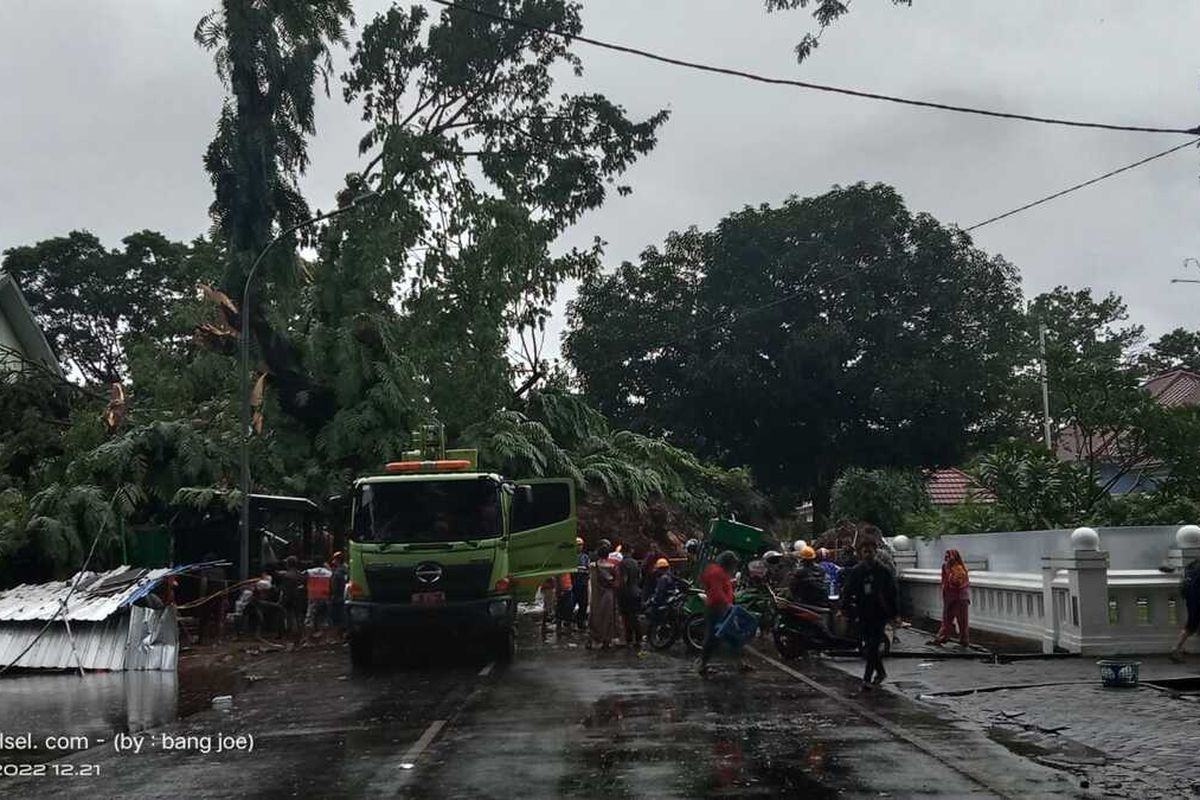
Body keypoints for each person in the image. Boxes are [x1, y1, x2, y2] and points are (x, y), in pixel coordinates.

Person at [842, 538, 897, 692]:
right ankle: (881, 672)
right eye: (864, 551)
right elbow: (848, 590)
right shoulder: (857, 571)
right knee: (867, 646)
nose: (867, 554)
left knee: (873, 645)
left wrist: (895, 613)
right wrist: (844, 607)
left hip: (880, 613)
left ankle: (867, 679)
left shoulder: (883, 571)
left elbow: (892, 593)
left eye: (870, 551)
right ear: (860, 553)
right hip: (863, 612)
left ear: (875, 552)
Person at [699, 550, 753, 675]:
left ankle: (739, 664)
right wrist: (727, 604)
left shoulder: (717, 571)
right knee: (713, 637)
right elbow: (717, 592)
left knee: (733, 636)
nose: (733, 568)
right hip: (717, 608)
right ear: (727, 563)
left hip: (721, 607)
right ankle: (702, 665)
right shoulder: (716, 573)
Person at [933, 549, 971, 647]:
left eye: (949, 557)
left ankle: (963, 639)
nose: (947, 559)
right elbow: (944, 582)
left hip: (960, 598)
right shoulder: (945, 567)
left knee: (962, 620)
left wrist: (951, 572)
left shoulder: (959, 568)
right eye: (946, 557)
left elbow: (958, 583)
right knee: (947, 618)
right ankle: (943, 636)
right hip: (949, 597)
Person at [588, 540, 620, 649]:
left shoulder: (593, 566)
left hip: (596, 594)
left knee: (595, 616)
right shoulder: (612, 566)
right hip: (608, 595)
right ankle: (607, 640)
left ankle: (594, 639)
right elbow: (617, 582)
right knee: (608, 616)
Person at [1170, 557, 1200, 662]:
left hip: (1191, 598)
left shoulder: (1194, 564)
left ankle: (1178, 648)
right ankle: (1176, 648)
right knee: (1191, 626)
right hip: (1197, 599)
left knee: (1191, 625)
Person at [618, 549, 643, 649]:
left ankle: (629, 639)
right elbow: (640, 577)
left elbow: (624, 579)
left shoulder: (623, 564)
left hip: (627, 593)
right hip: (637, 591)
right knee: (635, 616)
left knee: (627, 617)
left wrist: (620, 592)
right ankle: (638, 639)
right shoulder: (636, 563)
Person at [573, 537, 590, 630]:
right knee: (571, 603)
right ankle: (568, 621)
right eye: (578, 545)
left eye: (581, 545)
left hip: (583, 583)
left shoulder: (585, 557)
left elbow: (588, 569)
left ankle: (581, 622)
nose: (580, 547)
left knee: (583, 604)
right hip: (574, 584)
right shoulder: (570, 556)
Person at [329, 552, 347, 629]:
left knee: (336, 619)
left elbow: (334, 587)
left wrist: (332, 597)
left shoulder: (337, 573)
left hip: (337, 598)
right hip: (345, 597)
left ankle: (337, 636)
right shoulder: (347, 570)